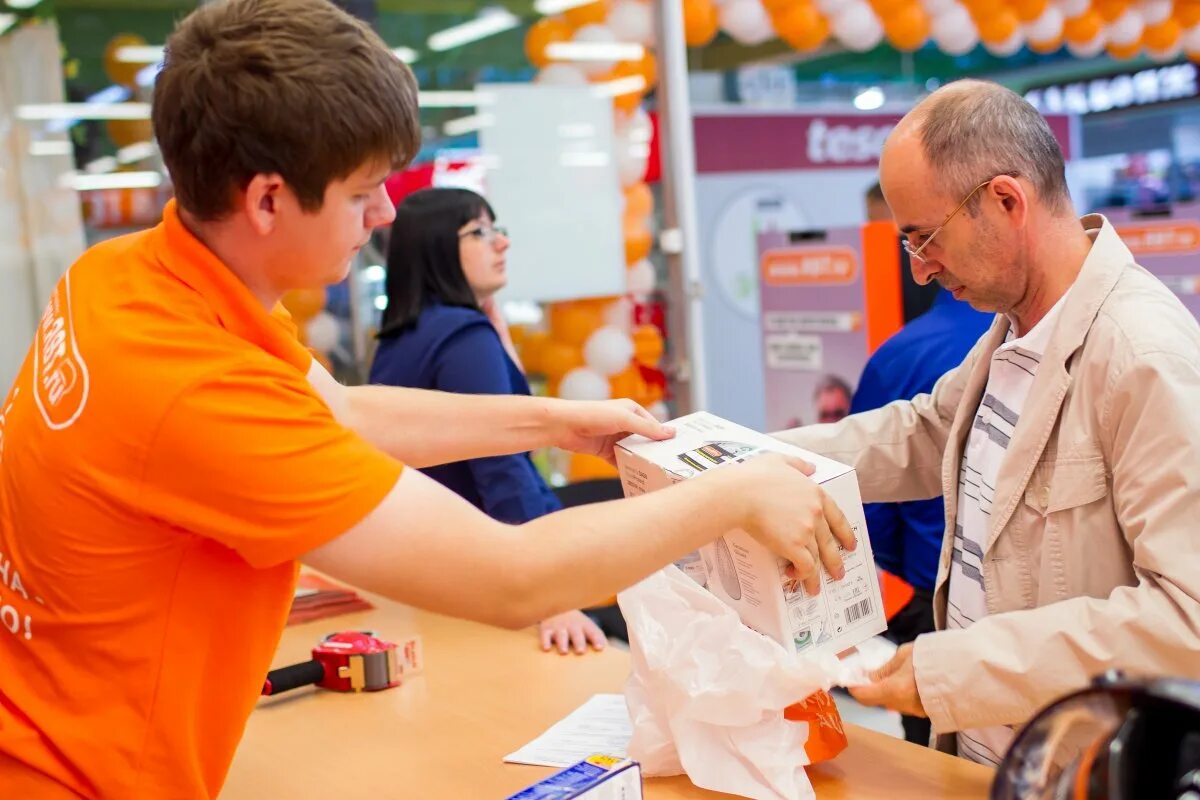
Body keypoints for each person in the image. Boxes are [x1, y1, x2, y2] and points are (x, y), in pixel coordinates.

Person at [0, 2, 857, 797]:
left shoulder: (125, 273)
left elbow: (343, 412)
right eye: (361, 190)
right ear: (266, 199)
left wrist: (556, 418)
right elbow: (511, 576)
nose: (381, 215)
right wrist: (733, 493)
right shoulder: (194, 389)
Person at [777, 79, 1200, 765]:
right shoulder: (1017, 327)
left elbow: (1188, 621)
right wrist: (739, 461)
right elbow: (928, 430)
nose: (920, 272)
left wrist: (953, 671)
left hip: (1082, 771)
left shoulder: (1142, 358)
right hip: (993, 758)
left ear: (1006, 201)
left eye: (925, 238)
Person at [369, 187, 604, 657]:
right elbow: (502, 465)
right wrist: (550, 596)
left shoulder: (403, 338)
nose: (502, 243)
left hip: (436, 564)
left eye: (497, 230)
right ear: (436, 247)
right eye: (479, 232)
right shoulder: (462, 338)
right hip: (487, 565)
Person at [849, 285, 993, 747]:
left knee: (935, 758)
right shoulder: (1024, 341)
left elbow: (868, 512)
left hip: (935, 602)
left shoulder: (901, 352)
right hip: (1042, 624)